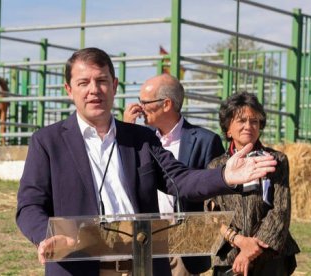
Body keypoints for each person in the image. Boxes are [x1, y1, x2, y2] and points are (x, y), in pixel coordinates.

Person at [16, 47, 277, 276]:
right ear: (69, 90)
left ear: (115, 85)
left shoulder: (142, 138)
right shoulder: (47, 142)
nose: (94, 90)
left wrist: (224, 176)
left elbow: (182, 180)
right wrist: (46, 236)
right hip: (78, 266)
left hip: (143, 266)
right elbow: (29, 205)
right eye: (84, 82)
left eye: (102, 80)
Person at [124, 74, 225, 276]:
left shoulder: (206, 141)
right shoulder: (139, 140)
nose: (139, 107)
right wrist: (128, 131)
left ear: (166, 104)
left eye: (144, 102)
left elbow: (214, 196)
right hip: (145, 238)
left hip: (183, 246)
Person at [205, 91, 300, 276]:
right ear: (228, 129)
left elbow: (280, 211)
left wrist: (251, 251)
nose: (248, 126)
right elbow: (211, 216)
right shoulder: (216, 166)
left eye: (254, 121)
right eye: (241, 120)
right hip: (229, 257)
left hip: (270, 257)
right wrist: (240, 241)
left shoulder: (276, 160)